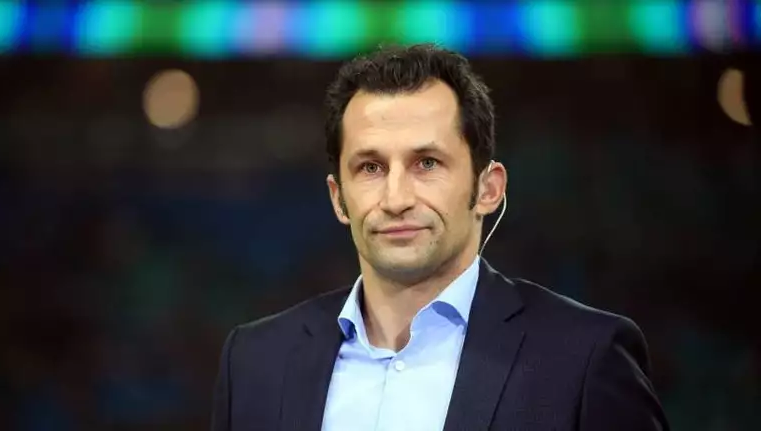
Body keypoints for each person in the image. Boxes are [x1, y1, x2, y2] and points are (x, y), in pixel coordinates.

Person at [211, 43, 669, 431]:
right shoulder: (254, 362)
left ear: (488, 188)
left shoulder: (586, 357)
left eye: (426, 163)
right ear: (338, 198)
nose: (396, 198)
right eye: (371, 167)